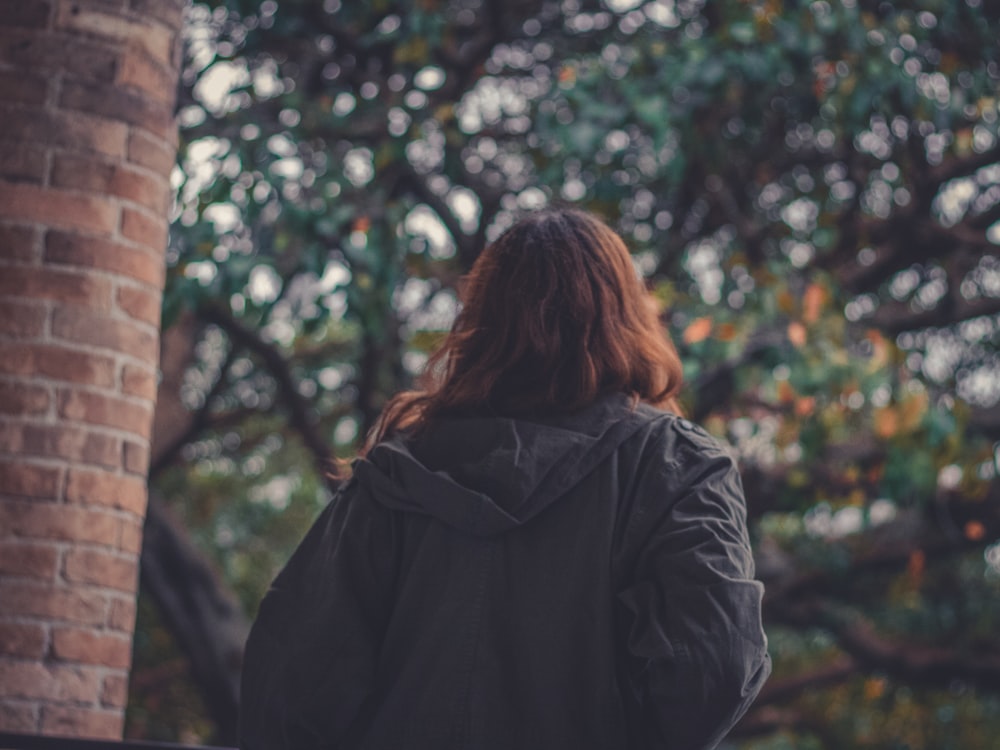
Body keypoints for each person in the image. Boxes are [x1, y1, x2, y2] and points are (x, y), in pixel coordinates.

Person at [238, 208, 771, 750]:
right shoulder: (678, 466)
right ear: (629, 314)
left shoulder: (396, 472)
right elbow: (717, 666)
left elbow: (290, 682)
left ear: (482, 317)